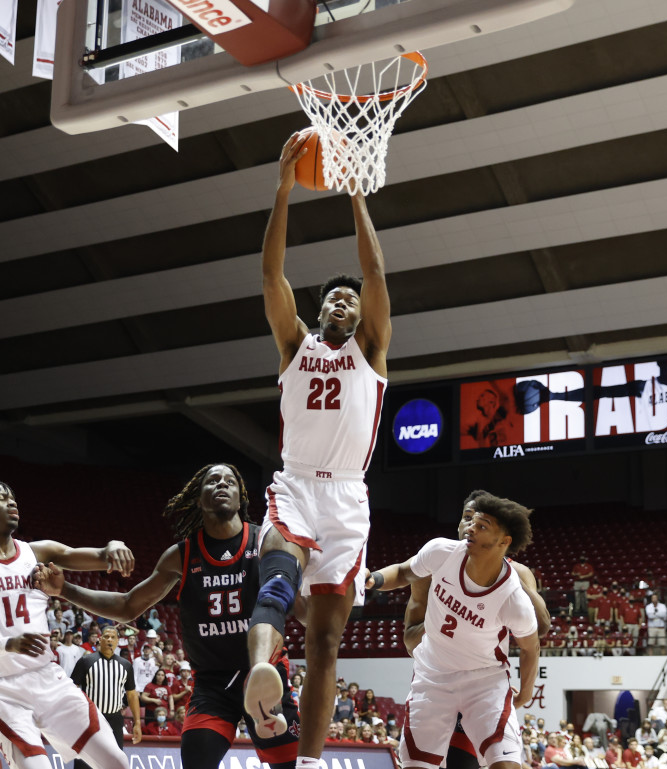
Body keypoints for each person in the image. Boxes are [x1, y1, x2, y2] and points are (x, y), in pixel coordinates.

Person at [241, 131, 393, 769]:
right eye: (334, 294)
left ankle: (305, 762)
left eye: (350, 298)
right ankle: (258, 674)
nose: (343, 298)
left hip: (347, 502)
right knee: (276, 571)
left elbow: (375, 271)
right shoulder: (294, 345)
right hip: (297, 484)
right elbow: (272, 273)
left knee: (327, 646)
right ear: (321, 308)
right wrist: (282, 191)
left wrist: (357, 197)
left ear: (360, 315)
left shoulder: (371, 351)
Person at [34, 464, 300, 769]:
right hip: (212, 684)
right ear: (200, 500)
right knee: (196, 758)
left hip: (263, 675)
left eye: (230, 482)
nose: (222, 485)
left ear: (241, 499)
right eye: (212, 482)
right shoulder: (182, 555)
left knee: (288, 765)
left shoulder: (263, 542)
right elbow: (127, 606)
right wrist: (64, 589)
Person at [0, 479, 133, 769]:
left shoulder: (36, 552)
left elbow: (98, 555)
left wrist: (114, 545)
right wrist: (10, 644)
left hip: (48, 678)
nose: (12, 502)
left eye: (13, 498)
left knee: (116, 761)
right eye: (1, 497)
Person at [365, 492, 540, 769]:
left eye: (482, 526)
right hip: (433, 676)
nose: (470, 528)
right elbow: (402, 572)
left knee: (505, 764)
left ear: (504, 542)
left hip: (485, 681)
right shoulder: (441, 551)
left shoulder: (513, 598)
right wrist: (373, 579)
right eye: (471, 521)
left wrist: (526, 692)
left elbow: (531, 646)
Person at [70, 626, 142, 769]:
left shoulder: (126, 665)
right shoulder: (86, 661)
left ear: (117, 641)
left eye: (113, 637)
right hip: (90, 719)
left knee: (114, 763)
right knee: (84, 761)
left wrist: (138, 722)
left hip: (115, 720)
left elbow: (132, 694)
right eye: (106, 636)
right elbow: (72, 688)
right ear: (100, 639)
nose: (109, 639)